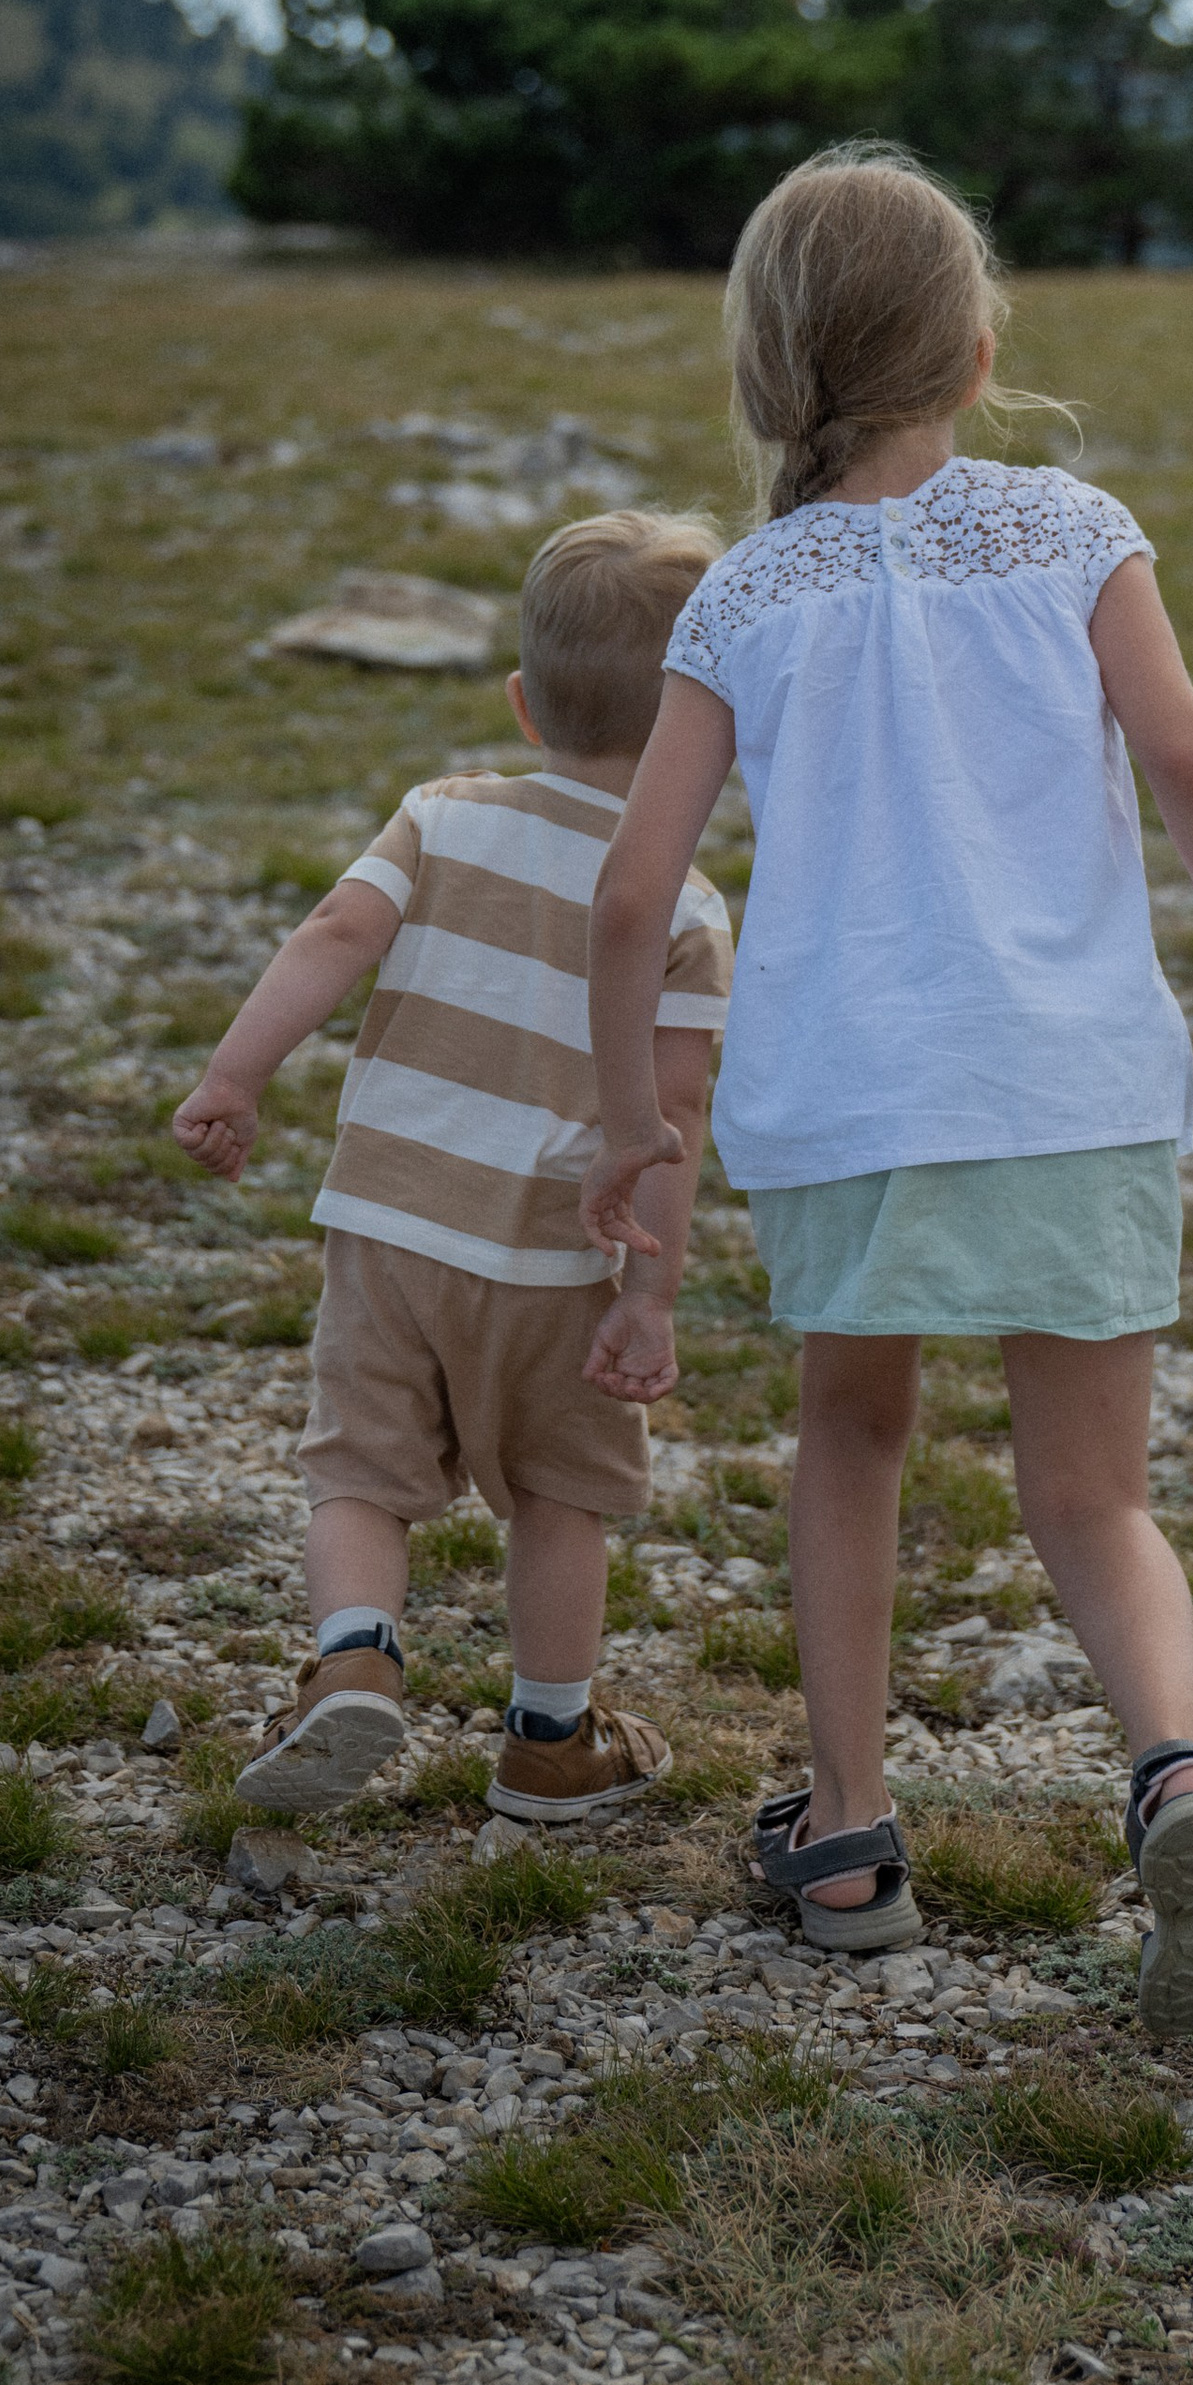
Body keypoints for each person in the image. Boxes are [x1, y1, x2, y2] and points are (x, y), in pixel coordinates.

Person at [581, 146, 1193, 2037]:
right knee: (1094, 1497)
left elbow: (634, 895)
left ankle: (844, 1837)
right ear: (979, 354)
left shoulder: (740, 597)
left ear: (767, 372)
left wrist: (630, 1119)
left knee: (856, 1439)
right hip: (1071, 1083)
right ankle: (1182, 1779)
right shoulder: (1076, 533)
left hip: (852, 1099)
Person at [172, 508, 733, 1827]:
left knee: (360, 1472)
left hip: (389, 1221)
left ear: (522, 703)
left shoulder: (440, 818)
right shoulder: (692, 911)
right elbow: (675, 1109)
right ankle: (549, 1743)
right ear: (713, 734)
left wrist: (232, 1077)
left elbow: (330, 934)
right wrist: (649, 1297)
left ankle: (355, 1656)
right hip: (553, 1253)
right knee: (559, 1495)